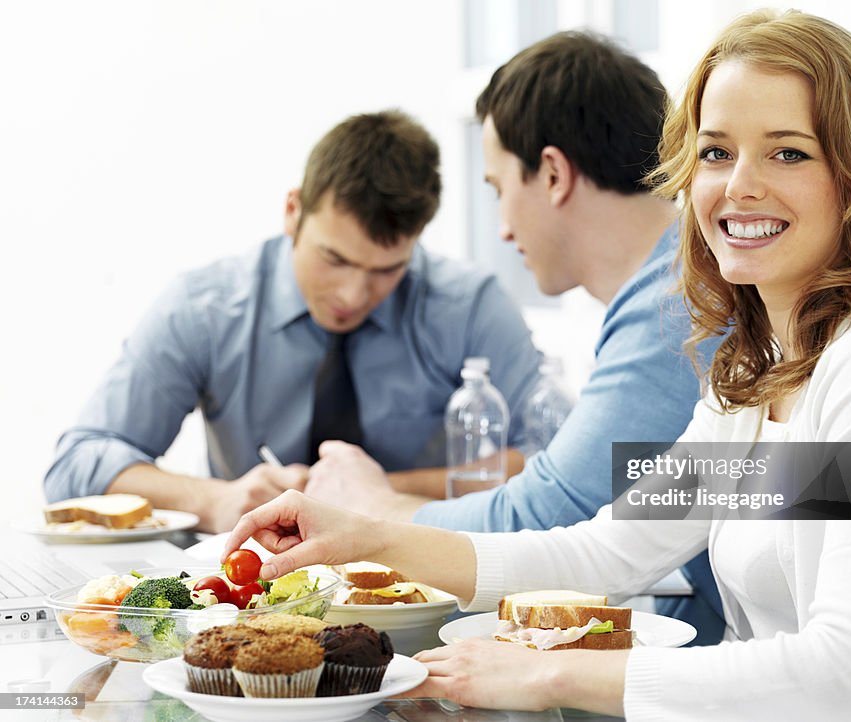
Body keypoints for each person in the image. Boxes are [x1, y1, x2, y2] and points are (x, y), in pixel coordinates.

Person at [222, 9, 851, 720]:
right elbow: (600, 551)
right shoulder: (751, 377)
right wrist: (364, 538)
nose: (738, 187)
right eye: (716, 152)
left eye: (787, 153)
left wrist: (550, 676)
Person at [300, 32, 724, 644]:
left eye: (499, 189)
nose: (501, 229)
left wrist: (375, 507)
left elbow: (551, 516)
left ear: (552, 174)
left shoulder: (676, 306)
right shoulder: (671, 291)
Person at [44, 110, 543, 533]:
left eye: (386, 270)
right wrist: (214, 500)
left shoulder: (469, 306)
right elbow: (75, 465)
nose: (353, 295)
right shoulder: (204, 308)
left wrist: (375, 491)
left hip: (427, 591)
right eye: (335, 258)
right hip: (245, 595)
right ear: (292, 211)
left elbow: (548, 459)